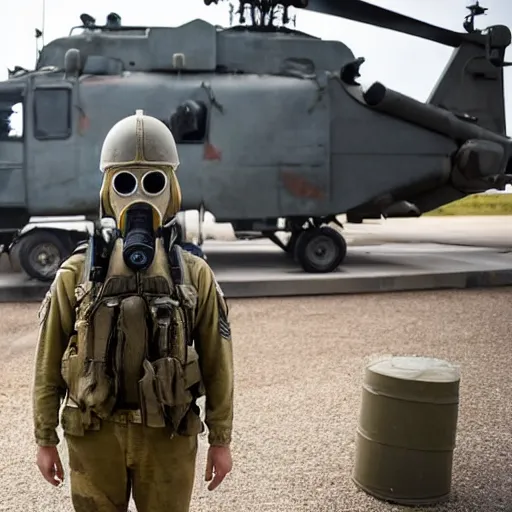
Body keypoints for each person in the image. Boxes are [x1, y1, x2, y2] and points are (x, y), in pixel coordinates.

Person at [32, 110, 234, 512]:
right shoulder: (77, 272)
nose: (140, 197)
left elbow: (218, 362)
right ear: (108, 189)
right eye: (125, 182)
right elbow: (48, 359)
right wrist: (44, 438)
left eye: (153, 182)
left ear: (171, 189)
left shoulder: (193, 274)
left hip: (167, 436)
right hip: (95, 433)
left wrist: (221, 440)